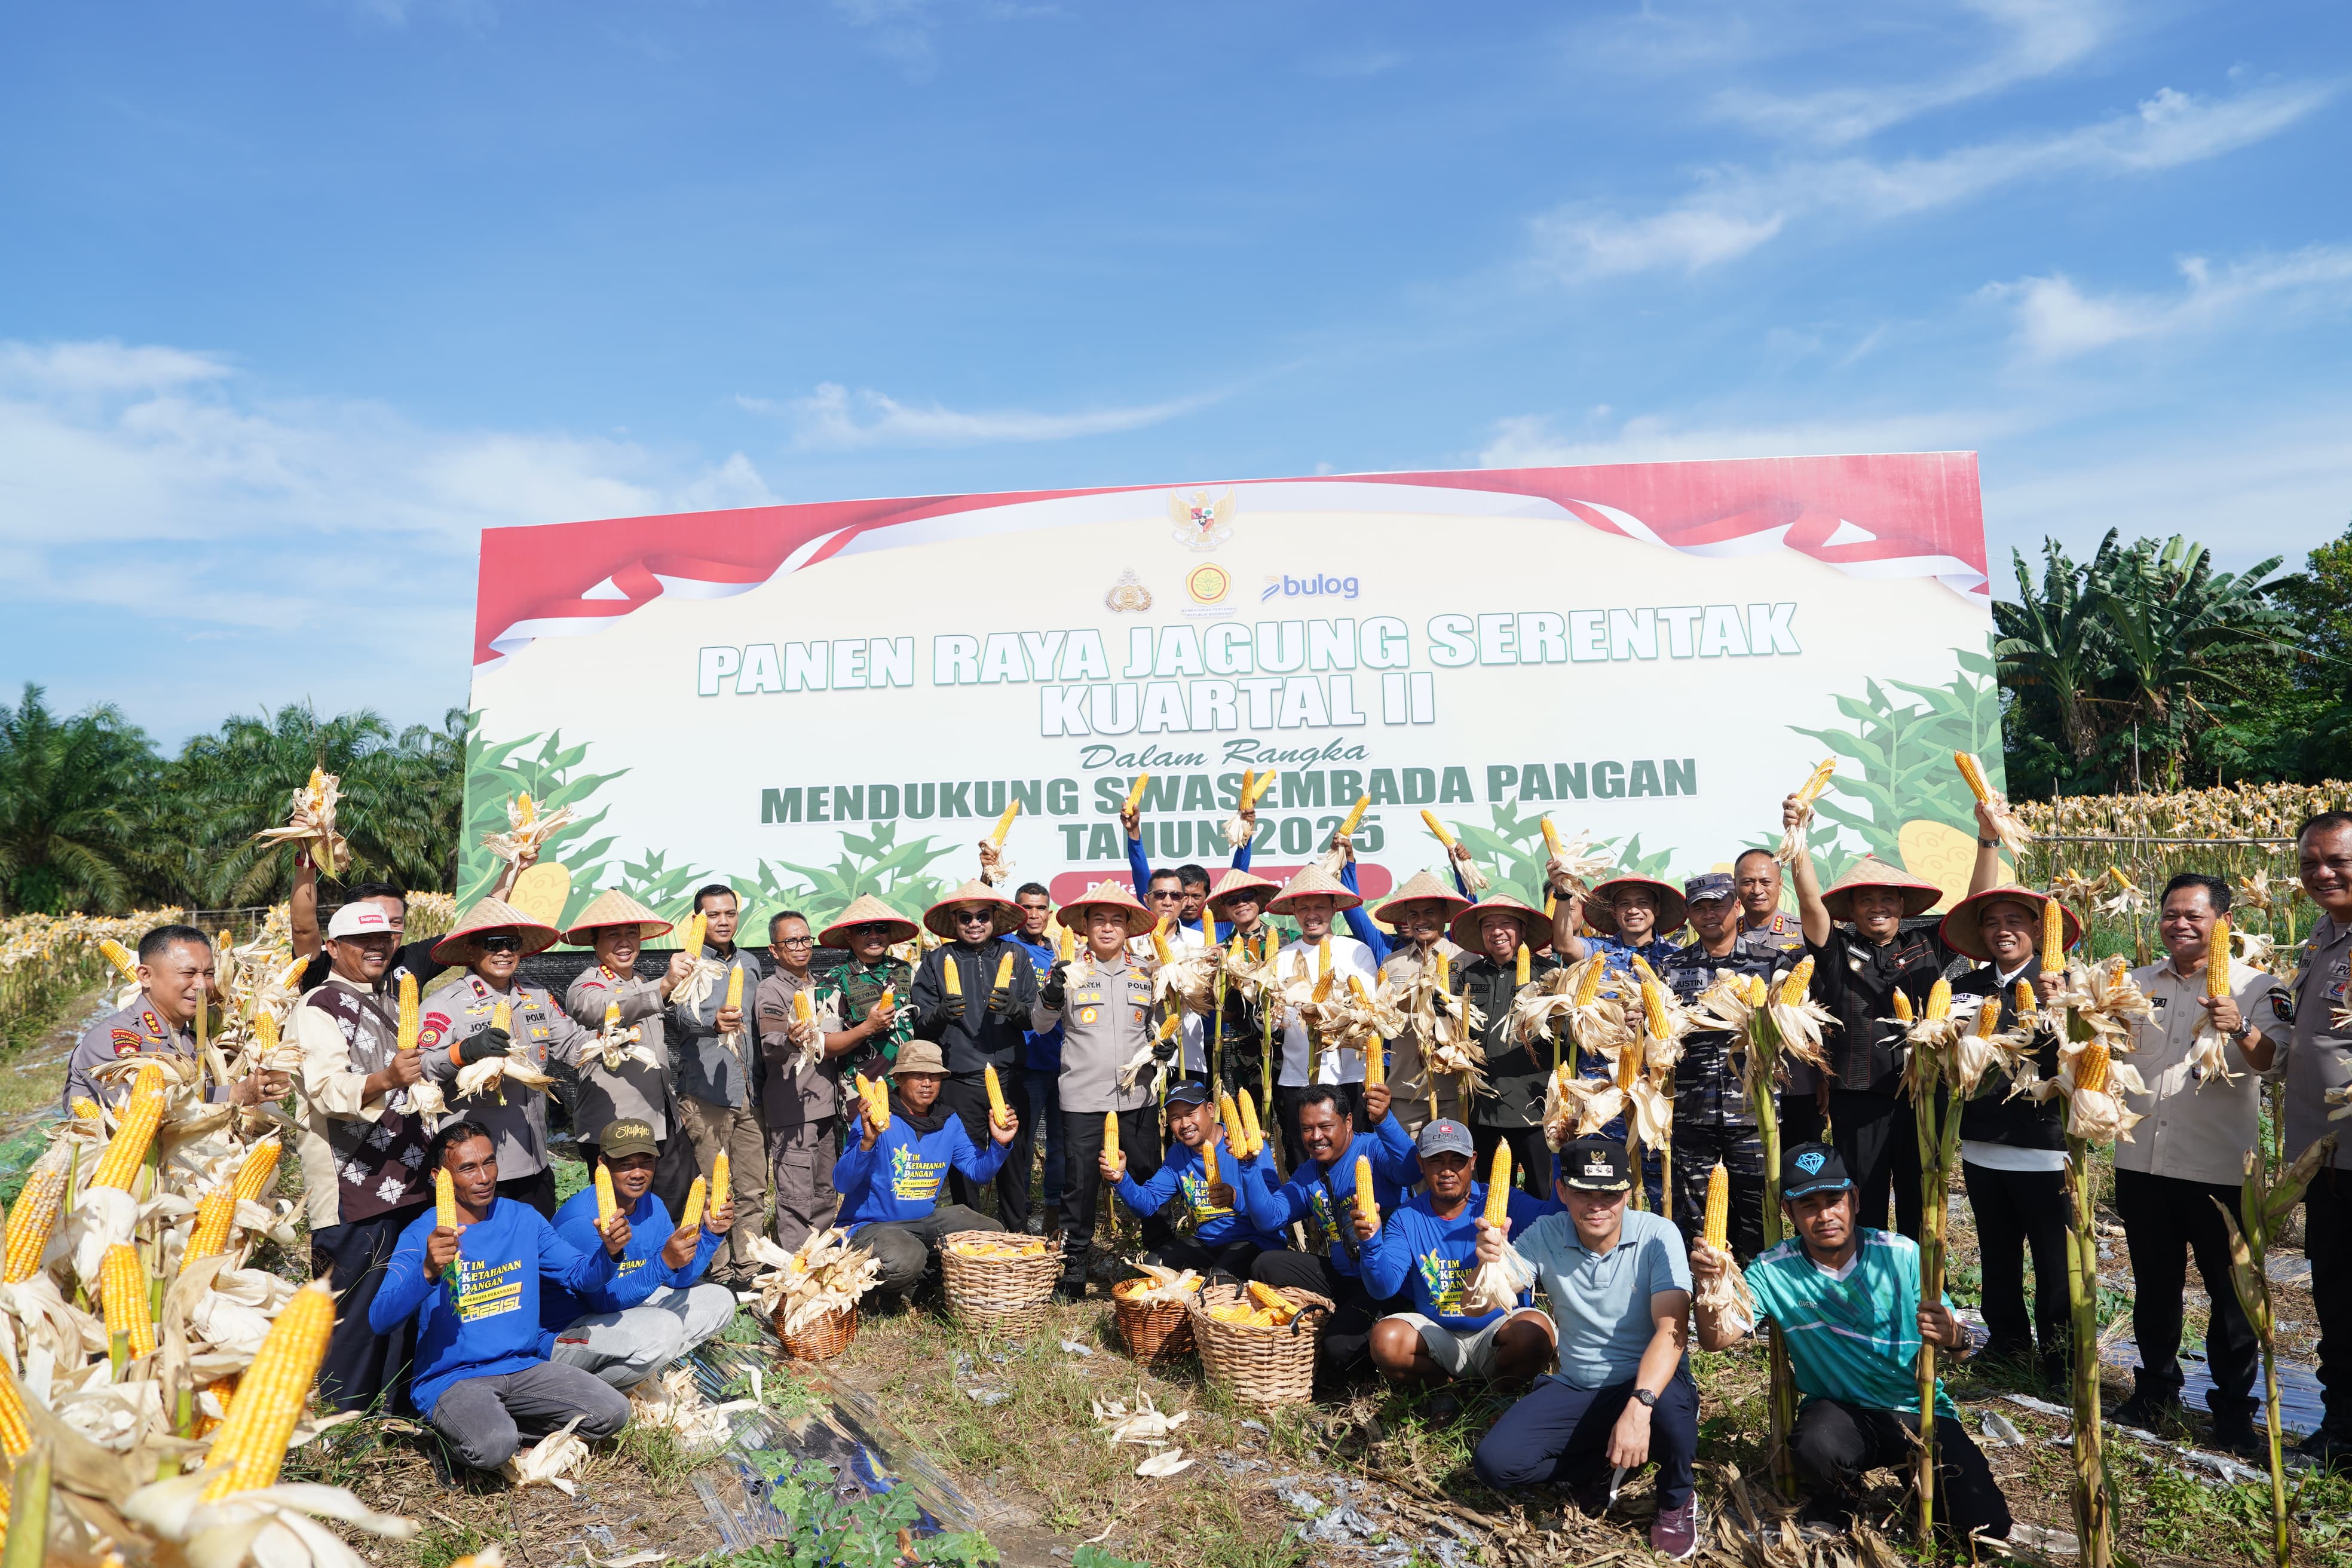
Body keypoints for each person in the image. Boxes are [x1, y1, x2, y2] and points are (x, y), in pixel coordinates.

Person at [1691, 1144, 2009, 1545]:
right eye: (1808, 1205)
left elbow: (1961, 1349)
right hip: (1840, 1415)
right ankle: (1838, 1501)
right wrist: (1709, 1283)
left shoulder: (1902, 1255)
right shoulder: (1773, 1271)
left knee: (1986, 1531)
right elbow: (1715, 1339)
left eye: (1833, 1200)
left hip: (1917, 1408)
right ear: (1788, 1213)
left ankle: (1919, 1481)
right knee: (1814, 1445)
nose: (1824, 1215)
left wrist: (1954, 1336)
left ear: (1855, 1199)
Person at [2112, 874, 2286, 1453]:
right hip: (2142, 1163)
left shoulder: (2258, 984)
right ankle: (2155, 1389)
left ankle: (2233, 1412)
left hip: (2219, 1171)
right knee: (2154, 1285)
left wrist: (2241, 1025)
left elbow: (2275, 1063)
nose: (2180, 923)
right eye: (2170, 914)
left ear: (2222, 921)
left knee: (2231, 1296)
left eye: (2194, 914)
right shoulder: (2136, 983)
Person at [1784, 794, 2005, 1237]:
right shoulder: (1836, 948)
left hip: (1925, 1090)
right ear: (1851, 909)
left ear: (1903, 905)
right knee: (1862, 1199)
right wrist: (1798, 836)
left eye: (1888, 899)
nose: (1878, 907)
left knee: (1921, 1197)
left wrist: (1988, 837)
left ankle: (1920, 1293)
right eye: (1867, 900)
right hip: (1858, 1094)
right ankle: (1865, 1289)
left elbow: (1978, 899)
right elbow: (1810, 903)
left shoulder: (1927, 944)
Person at [1472, 1137, 1700, 1560]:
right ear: (1561, 1191)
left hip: (1650, 1380)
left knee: (1667, 1413)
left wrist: (1639, 1405)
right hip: (1580, 1384)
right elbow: (1487, 1300)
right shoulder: (1547, 1233)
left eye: (1609, 1194)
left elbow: (1673, 1329)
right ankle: (1604, 1462)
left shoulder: (1657, 1235)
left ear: (1628, 1193)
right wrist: (1488, 1261)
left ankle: (1676, 1499)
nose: (1597, 1206)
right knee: (1496, 1464)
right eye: (1583, 1192)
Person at [368, 1119, 640, 1473]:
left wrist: (610, 1252)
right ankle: (453, 1435)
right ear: (439, 1177)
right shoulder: (422, 1234)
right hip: (454, 1379)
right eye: (467, 1168)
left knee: (614, 1412)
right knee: (493, 1447)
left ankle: (505, 1425)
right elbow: (379, 1319)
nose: (484, 1177)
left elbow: (580, 1276)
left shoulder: (523, 1219)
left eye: (489, 1162)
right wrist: (428, 1272)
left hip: (522, 1366)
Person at [289, 900, 435, 1412]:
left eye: (385, 940)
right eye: (361, 942)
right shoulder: (317, 1007)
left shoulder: (395, 1000)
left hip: (408, 1177)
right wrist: (390, 1079)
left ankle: (395, 1410)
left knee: (403, 1299)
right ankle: (342, 1420)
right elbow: (328, 1091)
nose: (377, 948)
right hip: (352, 1183)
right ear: (332, 948)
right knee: (352, 1310)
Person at [1939, 885, 2075, 1391]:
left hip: (2044, 1146)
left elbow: (2089, 1056)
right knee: (1997, 1256)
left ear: (2038, 930)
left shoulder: (2064, 985)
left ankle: (2061, 1360)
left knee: (2055, 1262)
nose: (2003, 931)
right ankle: (2007, 1344)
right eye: (1992, 922)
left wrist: (2062, 1007)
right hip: (1981, 1144)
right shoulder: (1966, 988)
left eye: (2015, 920)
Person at [1359, 1119, 1557, 1411]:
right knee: (1385, 1339)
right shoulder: (1406, 1217)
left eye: (1458, 1160)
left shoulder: (1504, 1201)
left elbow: (1556, 1217)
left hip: (1499, 1331)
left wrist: (1559, 1151)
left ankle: (1499, 1391)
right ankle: (1446, 1389)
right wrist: (1371, 1241)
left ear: (1474, 1161)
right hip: (1440, 1337)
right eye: (1436, 1160)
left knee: (1536, 1331)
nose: (1448, 1170)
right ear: (1421, 1164)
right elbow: (1383, 1288)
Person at [1033, 881, 1168, 1300]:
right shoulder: (1069, 972)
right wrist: (1053, 992)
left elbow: (1159, 1025)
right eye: (1099, 921)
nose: (1107, 929)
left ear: (1128, 929)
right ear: (1086, 928)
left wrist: (1165, 1044)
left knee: (1149, 1179)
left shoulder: (1147, 972)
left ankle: (1160, 1263)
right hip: (1083, 1096)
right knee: (1080, 1185)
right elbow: (1040, 1024)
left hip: (1137, 1096)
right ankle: (1073, 1273)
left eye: (1116, 921)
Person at [418, 898, 594, 1218]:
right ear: (471, 950)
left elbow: (571, 1042)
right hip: (478, 1172)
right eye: (493, 944)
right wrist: (465, 1051)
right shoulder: (445, 1004)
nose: (504, 952)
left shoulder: (536, 995)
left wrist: (610, 1041)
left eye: (511, 943)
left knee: (536, 1254)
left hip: (535, 1159)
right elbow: (422, 1067)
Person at [1236, 1082, 1419, 1376]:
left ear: (1348, 1122)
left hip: (1385, 1281)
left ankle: (1375, 1341)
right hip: (1343, 1275)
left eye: (1325, 1126)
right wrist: (1248, 1166)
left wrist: (1384, 1120)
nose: (1316, 1137)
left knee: (1337, 1348)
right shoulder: (1310, 1173)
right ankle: (1337, 1315)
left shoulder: (1371, 1149)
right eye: (1307, 1129)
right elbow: (1269, 1218)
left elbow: (1411, 1170)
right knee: (1265, 1264)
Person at [544, 1118, 737, 1389]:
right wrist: (662, 1264)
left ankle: (636, 1367)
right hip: (569, 1331)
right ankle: (588, 1393)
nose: (638, 1174)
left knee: (719, 1301)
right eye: (625, 1165)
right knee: (664, 1328)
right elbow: (602, 1301)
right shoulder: (581, 1221)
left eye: (646, 1162)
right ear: (602, 1165)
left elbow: (677, 1280)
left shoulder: (652, 1205)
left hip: (621, 1308)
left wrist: (711, 1234)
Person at [831, 1041, 1018, 1307]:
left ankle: (924, 1281)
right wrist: (867, 1144)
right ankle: (878, 1293)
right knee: (907, 1257)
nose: (927, 1083)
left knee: (992, 1233)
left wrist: (999, 1144)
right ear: (898, 1079)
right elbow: (842, 1182)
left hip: (924, 1220)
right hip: (872, 1226)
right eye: (918, 1075)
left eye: (934, 1076)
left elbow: (979, 1171)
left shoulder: (948, 1121)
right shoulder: (875, 1120)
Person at [1657, 874, 1780, 1261]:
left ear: (1737, 907)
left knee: (1756, 1214)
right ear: (1690, 915)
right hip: (1691, 1114)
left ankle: (1758, 1307)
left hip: (1752, 1113)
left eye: (1718, 904)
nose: (1710, 914)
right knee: (1695, 1217)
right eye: (1700, 907)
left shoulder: (1769, 963)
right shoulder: (1671, 967)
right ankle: (1705, 1306)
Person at [558, 890, 699, 1225]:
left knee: (679, 1203)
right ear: (594, 943)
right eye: (613, 935)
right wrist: (664, 985)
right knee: (622, 1215)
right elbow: (606, 1010)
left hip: (662, 1120)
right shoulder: (584, 987)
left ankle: (672, 1272)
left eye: (631, 934)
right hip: (617, 1128)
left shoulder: (640, 981)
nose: (625, 943)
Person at [912, 880, 1039, 1231]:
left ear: (994, 919)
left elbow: (1035, 1015)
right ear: (954, 923)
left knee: (1014, 1160)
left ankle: (1016, 1235)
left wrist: (1015, 1009)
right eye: (965, 918)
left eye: (982, 916)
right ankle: (966, 1239)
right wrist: (941, 1015)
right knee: (963, 1164)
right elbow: (920, 1024)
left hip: (1009, 1074)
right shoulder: (937, 961)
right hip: (959, 1076)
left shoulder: (1016, 956)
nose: (974, 924)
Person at [2287, 810, 2352, 1462]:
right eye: (2310, 862)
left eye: (2337, 860)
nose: (2322, 872)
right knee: (2333, 1292)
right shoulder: (2322, 934)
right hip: (2325, 1155)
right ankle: (2340, 1427)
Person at [66, 924, 286, 1111]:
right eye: (188, 974)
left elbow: (193, 1099)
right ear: (146, 976)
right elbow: (147, 1115)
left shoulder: (188, 1037)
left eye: (209, 974)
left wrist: (243, 1092)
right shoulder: (113, 1039)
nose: (202, 985)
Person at [666, 884, 767, 1279]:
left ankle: (751, 1267)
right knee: (711, 1190)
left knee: (753, 1189)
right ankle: (718, 1271)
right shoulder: (685, 966)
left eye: (730, 913)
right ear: (697, 920)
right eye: (713, 915)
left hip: (750, 1093)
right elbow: (673, 1017)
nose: (723, 921)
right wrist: (709, 1024)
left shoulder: (751, 964)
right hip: (706, 1095)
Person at [1105, 1077, 1286, 1280]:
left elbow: (1274, 1209)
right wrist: (1120, 1178)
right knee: (1154, 1266)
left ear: (1210, 1110)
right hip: (1208, 1242)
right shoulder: (1178, 1155)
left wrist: (1236, 1198)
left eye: (1191, 1114)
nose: (1185, 1124)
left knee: (1220, 1281)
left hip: (1254, 1241)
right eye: (1175, 1118)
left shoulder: (1245, 1143)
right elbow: (1146, 1204)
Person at [1446, 893, 1562, 1200]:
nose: (1497, 932)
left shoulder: (1549, 974)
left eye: (1506, 924)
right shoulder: (1471, 975)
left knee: (1542, 1193)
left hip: (1534, 1107)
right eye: (1489, 926)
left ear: (1522, 931)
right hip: (1484, 1108)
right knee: (1493, 1195)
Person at [1267, 865, 1383, 1165]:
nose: (1312, 914)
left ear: (1334, 908)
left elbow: (1367, 1011)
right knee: (1304, 1156)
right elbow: (1272, 1020)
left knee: (1351, 1156)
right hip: (1297, 1077)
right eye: (1304, 907)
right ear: (1293, 911)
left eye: (1320, 906)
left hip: (1349, 1076)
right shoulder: (1281, 957)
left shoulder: (1357, 951)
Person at [753, 909, 844, 1250]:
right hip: (794, 1112)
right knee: (795, 1196)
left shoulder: (821, 987)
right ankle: (795, 1273)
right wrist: (791, 1040)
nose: (801, 946)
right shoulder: (771, 990)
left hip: (825, 1107)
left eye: (805, 938)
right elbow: (770, 1045)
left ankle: (822, 1265)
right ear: (774, 950)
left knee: (824, 1192)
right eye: (791, 941)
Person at [1365, 871, 1471, 1132]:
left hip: (1452, 1085)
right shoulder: (1392, 963)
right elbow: (1383, 1020)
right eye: (1414, 915)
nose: (1421, 921)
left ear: (1446, 915)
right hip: (1405, 1088)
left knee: (1451, 1163)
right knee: (1408, 1166)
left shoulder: (1468, 959)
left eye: (1429, 913)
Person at [1733, 848, 1821, 1143]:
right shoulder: (1724, 936)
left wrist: (1823, 1075)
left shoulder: (1805, 932)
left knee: (1801, 1156)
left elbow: (1824, 1001)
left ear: (1781, 884)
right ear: (1736, 886)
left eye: (1765, 881)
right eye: (1747, 882)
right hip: (1743, 1077)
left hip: (1798, 1074)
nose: (1757, 890)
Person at [1009, 883, 1068, 1235]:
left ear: (1050, 913)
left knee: (1061, 1144)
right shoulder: (1005, 947)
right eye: (1027, 908)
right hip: (1024, 1062)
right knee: (1023, 1143)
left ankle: (1053, 1213)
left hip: (1062, 1062)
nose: (1034, 914)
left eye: (1040, 908)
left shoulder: (1060, 950)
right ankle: (1017, 1213)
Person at [812, 894, 918, 1082]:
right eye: (863, 930)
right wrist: (867, 1028)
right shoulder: (833, 982)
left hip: (909, 1088)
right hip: (863, 1088)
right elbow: (825, 1046)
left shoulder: (905, 971)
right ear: (847, 934)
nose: (874, 935)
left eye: (882, 929)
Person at [1576, 875, 1688, 980]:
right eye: (1625, 904)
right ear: (1614, 911)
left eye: (1642, 903)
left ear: (1656, 909)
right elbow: (1564, 945)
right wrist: (1562, 894)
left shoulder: (1677, 957)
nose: (1633, 911)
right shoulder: (1597, 950)